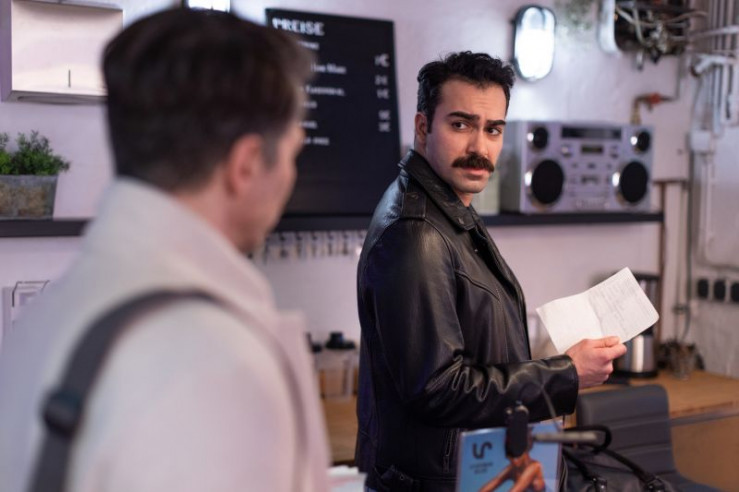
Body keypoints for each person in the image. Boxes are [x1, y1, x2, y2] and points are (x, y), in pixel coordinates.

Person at [0, 9, 330, 492]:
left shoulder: (39, 321)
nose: (290, 177)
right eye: (294, 153)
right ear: (245, 164)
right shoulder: (217, 362)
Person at [355, 51, 627, 491]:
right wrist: (565, 374)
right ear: (423, 127)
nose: (480, 149)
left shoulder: (449, 209)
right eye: (461, 125)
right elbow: (437, 388)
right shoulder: (416, 233)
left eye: (493, 129)